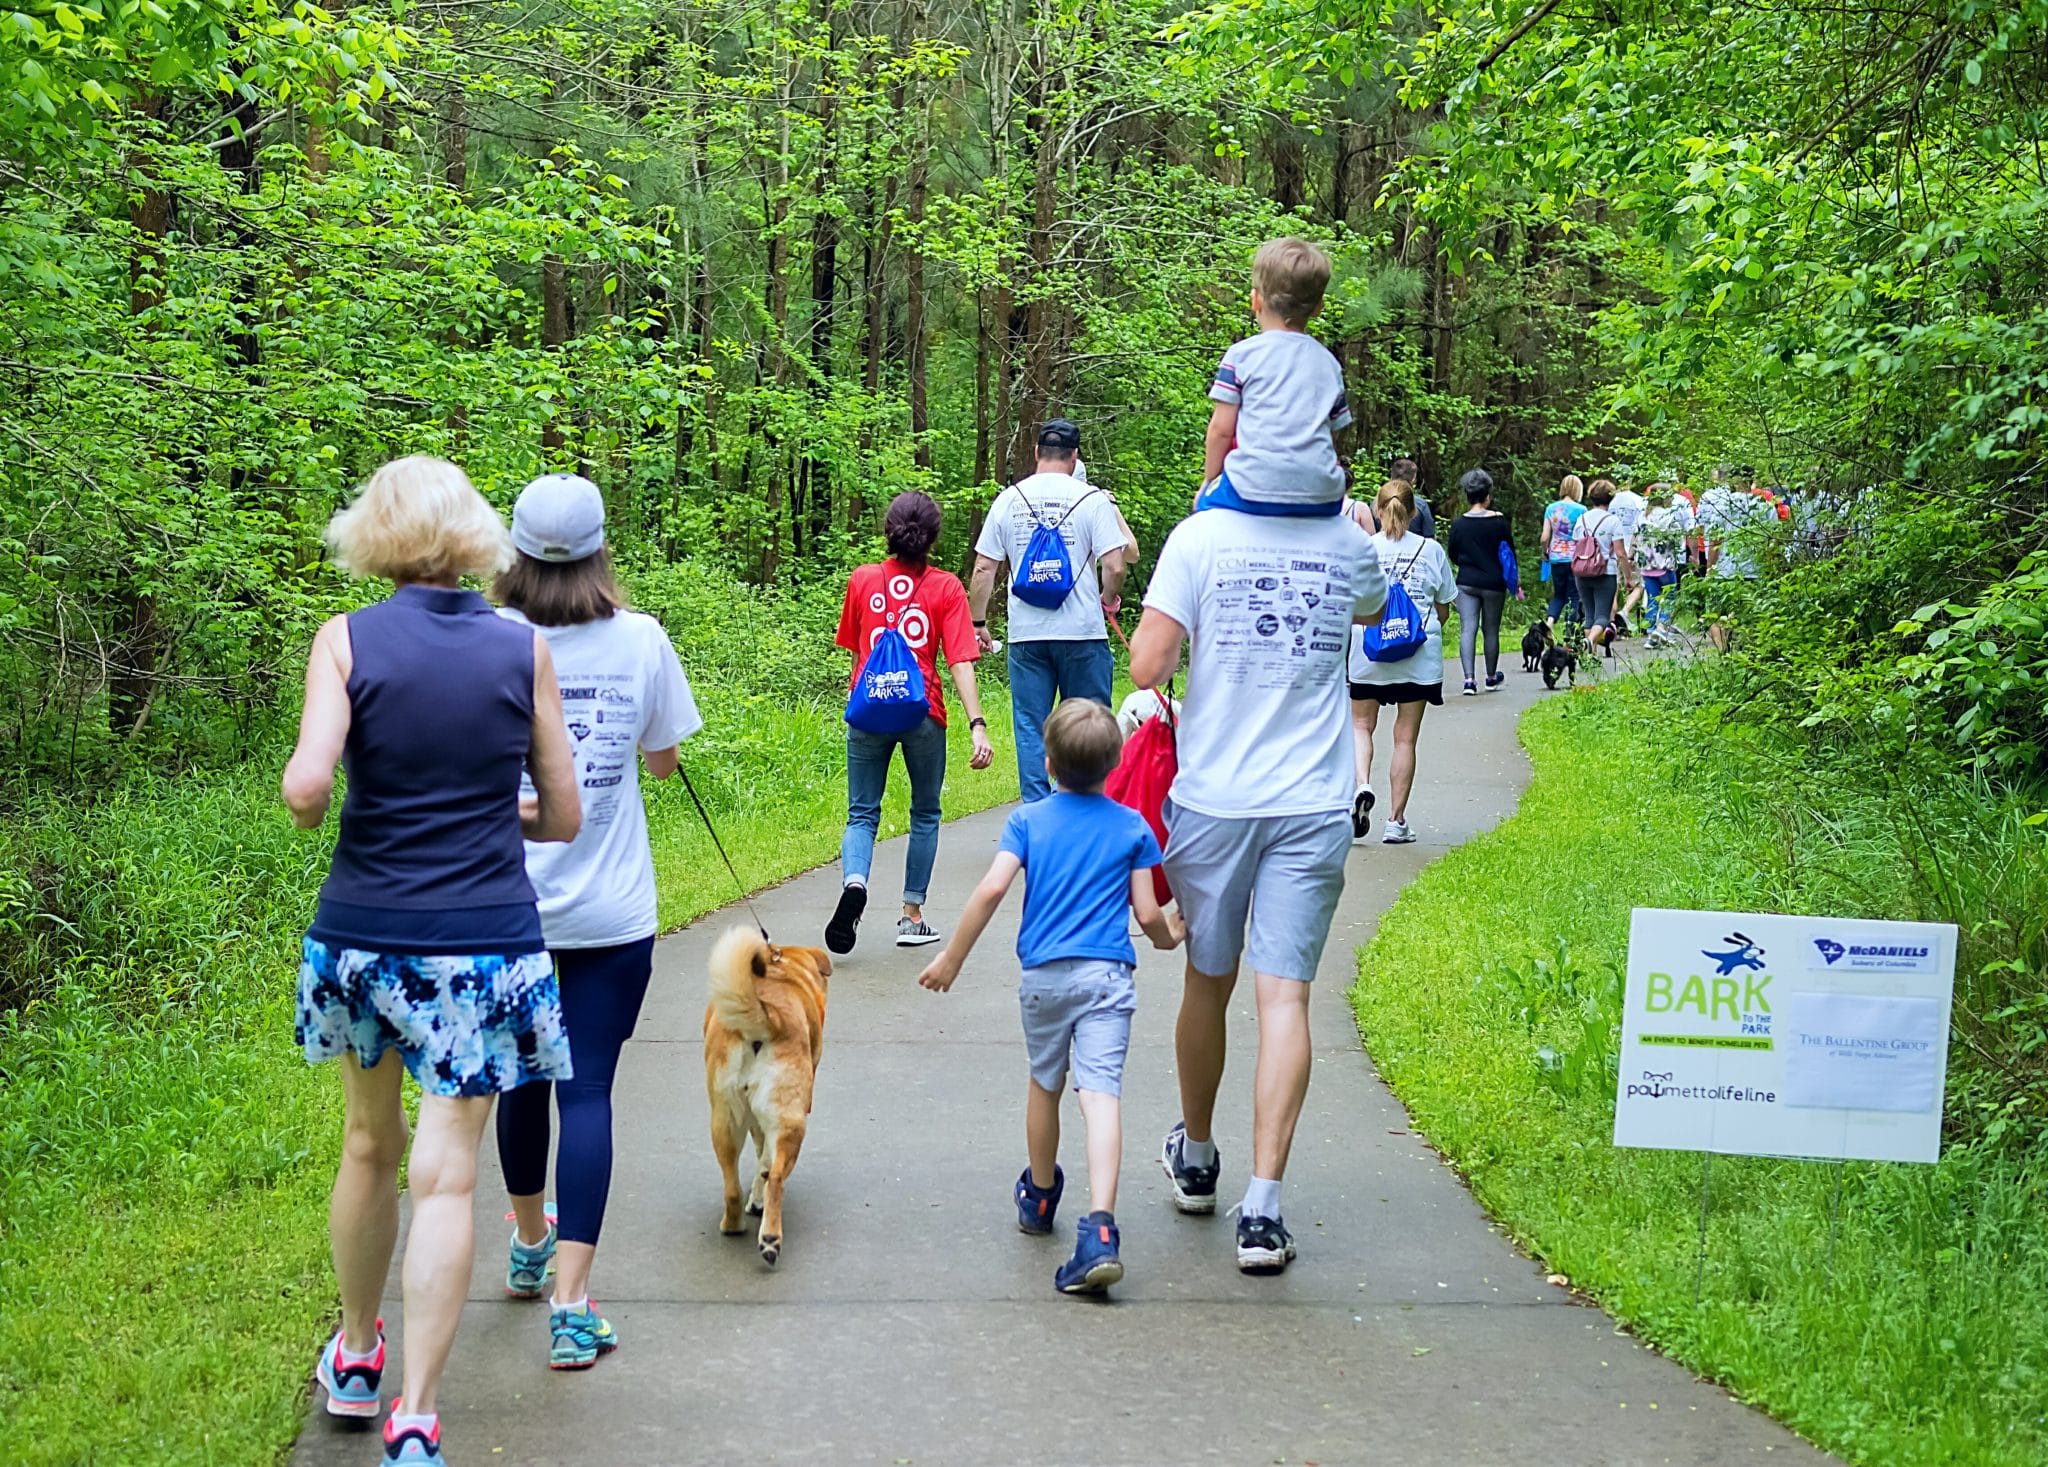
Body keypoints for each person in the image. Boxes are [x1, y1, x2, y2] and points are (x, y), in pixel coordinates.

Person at [283, 456, 581, 1466]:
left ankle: (358, 1357)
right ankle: (417, 1414)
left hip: (365, 938)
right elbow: (565, 813)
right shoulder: (519, 649)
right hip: (483, 945)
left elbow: (308, 786)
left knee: (368, 1147)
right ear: (471, 537)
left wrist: (315, 787)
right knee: (448, 1177)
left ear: (371, 533)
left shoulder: (346, 640)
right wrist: (500, 809)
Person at [1128, 474, 1389, 1275]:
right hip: (1313, 800)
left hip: (1216, 799)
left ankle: (1198, 1157)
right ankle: (1264, 1211)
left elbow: (1147, 665)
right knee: (1286, 998)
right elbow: (1374, 610)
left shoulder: (1199, 537)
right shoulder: (1348, 539)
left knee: (1208, 981)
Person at [489, 474, 700, 1372]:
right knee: (588, 1091)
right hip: (612, 913)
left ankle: (530, 1241)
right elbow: (664, 761)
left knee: (519, 1083)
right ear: (603, 548)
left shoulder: (488, 639)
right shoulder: (643, 639)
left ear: (515, 550)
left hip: (504, 907)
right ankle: (573, 1307)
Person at [915, 700, 1183, 1295]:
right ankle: (1102, 1228)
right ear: (1114, 764)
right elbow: (1148, 915)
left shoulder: (1028, 821)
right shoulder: (1133, 826)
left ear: (1048, 761)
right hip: (1107, 979)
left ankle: (1039, 1198)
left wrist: (952, 958)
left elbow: (990, 889)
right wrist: (1175, 930)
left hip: (1043, 981)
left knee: (1046, 1083)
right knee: (1101, 1092)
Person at [832, 492, 995, 950]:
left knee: (862, 812)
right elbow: (961, 659)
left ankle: (856, 884)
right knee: (924, 811)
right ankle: (911, 916)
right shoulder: (945, 588)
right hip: (924, 712)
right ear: (932, 537)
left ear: (889, 530)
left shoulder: (862, 579)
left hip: (867, 710)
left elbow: (855, 650)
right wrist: (976, 723)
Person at [970, 420, 1127, 802]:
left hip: (1027, 635)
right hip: (1083, 633)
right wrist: (1108, 600)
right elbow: (1116, 565)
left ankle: (1038, 813)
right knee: (1089, 724)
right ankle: (1084, 809)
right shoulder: (1091, 499)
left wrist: (978, 622)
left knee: (1030, 726)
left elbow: (983, 569)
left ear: (1037, 453)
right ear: (1074, 457)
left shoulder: (1008, 499)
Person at [1196, 237, 1352, 515]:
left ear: (1255, 300)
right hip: (1322, 493)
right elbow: (1330, 431)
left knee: (1204, 509)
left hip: (1253, 486)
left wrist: (1210, 480)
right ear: (1319, 307)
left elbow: (1221, 429)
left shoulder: (1241, 356)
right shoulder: (1329, 364)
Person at [1347, 481, 1458, 843]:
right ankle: (1396, 822)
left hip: (1368, 653)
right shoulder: (1432, 550)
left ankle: (1362, 785)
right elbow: (1443, 609)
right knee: (1405, 739)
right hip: (1417, 655)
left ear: (1378, 511)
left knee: (1361, 726)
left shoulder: (1361, 549)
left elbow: (1348, 604)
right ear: (1414, 512)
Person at [1444, 467, 1518, 695]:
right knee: (1491, 629)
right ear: (1488, 496)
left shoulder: (1458, 524)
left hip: (1466, 581)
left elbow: (1453, 554)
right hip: (1494, 583)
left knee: (1468, 629)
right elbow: (1509, 553)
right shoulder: (1499, 522)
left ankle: (1468, 681)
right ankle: (1490, 677)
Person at [1572, 478, 1633, 656]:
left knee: (1589, 614)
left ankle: (1590, 657)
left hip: (1582, 573)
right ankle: (1589, 641)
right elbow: (1621, 553)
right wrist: (1629, 578)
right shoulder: (1613, 521)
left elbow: (1577, 547)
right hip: (1605, 572)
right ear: (1610, 498)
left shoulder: (1581, 520)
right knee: (1603, 616)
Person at [1639, 485, 1696, 646]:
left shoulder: (1642, 516)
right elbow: (1679, 539)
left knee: (1652, 598)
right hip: (1665, 564)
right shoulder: (1669, 517)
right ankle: (1662, 628)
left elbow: (1636, 538)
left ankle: (1650, 632)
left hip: (1647, 565)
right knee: (1670, 597)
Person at [1541, 475, 1585, 626]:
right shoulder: (1581, 510)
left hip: (1556, 557)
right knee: (1574, 595)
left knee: (1558, 595)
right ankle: (1569, 629)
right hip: (1575, 558)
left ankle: (1550, 622)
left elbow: (1544, 537)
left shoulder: (1551, 509)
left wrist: (1545, 551)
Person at [1608, 477, 1649, 633]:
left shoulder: (1610, 501)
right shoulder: (1639, 501)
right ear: (1631, 480)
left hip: (1612, 548)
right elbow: (1641, 527)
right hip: (1632, 548)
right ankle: (1625, 611)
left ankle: (1612, 625)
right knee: (1639, 585)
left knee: (1613, 587)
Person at [1389, 456, 1435, 541]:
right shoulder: (1420, 505)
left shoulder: (1376, 503)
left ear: (1391, 478)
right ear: (1413, 480)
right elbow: (1430, 537)